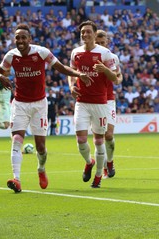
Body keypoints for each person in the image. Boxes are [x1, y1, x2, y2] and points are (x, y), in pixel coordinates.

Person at [0, 23, 92, 193]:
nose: (20, 40)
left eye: (23, 37)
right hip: (19, 104)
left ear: (30, 39)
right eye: (17, 37)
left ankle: (41, 168)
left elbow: (61, 68)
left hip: (39, 105)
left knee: (40, 147)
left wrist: (78, 74)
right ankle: (16, 179)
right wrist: (0, 77)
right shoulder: (11, 56)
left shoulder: (41, 52)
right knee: (17, 139)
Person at [68, 21, 117, 188]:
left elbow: (115, 78)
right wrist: (71, 86)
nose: (85, 35)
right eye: (83, 32)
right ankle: (89, 162)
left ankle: (98, 176)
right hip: (81, 102)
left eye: (88, 32)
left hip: (100, 103)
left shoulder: (105, 53)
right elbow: (71, 72)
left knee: (98, 140)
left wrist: (104, 69)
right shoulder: (76, 53)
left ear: (94, 34)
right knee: (81, 139)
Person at [95, 29, 123, 179]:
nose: (99, 45)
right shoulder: (88, 57)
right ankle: (104, 166)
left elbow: (118, 75)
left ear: (107, 43)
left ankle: (110, 161)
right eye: (97, 43)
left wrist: (118, 79)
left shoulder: (112, 58)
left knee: (109, 135)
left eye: (102, 43)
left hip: (108, 100)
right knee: (99, 136)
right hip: (92, 101)